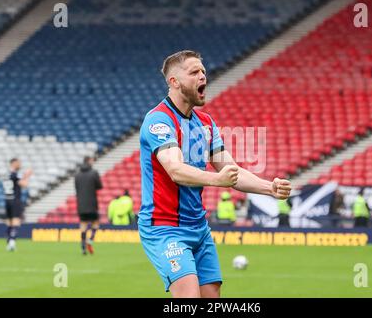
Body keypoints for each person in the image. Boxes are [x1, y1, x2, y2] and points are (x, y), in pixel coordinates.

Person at [138, 50, 291, 298]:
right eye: (194, 72)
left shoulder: (205, 123)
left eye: (203, 71)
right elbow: (175, 170)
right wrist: (216, 180)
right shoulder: (159, 121)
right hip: (166, 229)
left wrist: (268, 188)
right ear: (174, 82)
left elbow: (232, 172)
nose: (203, 76)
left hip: (199, 228)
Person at [75, 156, 103, 255]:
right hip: (92, 204)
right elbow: (100, 186)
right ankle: (90, 241)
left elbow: (77, 189)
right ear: (88, 161)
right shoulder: (94, 173)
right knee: (95, 224)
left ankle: (83, 246)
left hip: (81, 205)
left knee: (83, 225)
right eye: (92, 160)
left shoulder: (77, 175)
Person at [3, 158, 32, 251]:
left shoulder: (6, 174)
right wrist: (27, 176)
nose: (20, 164)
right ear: (13, 163)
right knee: (16, 222)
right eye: (18, 163)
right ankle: (12, 242)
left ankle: (8, 242)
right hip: (15, 200)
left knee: (9, 222)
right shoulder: (14, 174)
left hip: (7, 200)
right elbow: (24, 184)